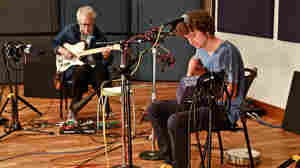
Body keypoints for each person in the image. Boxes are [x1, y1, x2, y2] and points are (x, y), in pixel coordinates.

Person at [147, 9, 245, 168]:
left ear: (206, 30)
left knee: (176, 121)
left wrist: (204, 100)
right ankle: (170, 160)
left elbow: (231, 91)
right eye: (187, 38)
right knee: (155, 109)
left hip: (223, 110)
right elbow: (194, 59)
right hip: (204, 102)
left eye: (193, 36)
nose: (190, 41)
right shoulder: (201, 48)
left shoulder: (227, 52)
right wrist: (189, 75)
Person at [53, 6, 113, 125]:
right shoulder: (70, 30)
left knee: (100, 70)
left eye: (89, 25)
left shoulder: (100, 36)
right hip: (72, 67)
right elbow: (54, 43)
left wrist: (106, 56)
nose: (86, 28)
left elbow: (108, 61)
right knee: (81, 71)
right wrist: (63, 51)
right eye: (83, 24)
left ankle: (105, 108)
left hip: (93, 68)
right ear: (78, 22)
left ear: (93, 22)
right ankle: (73, 110)